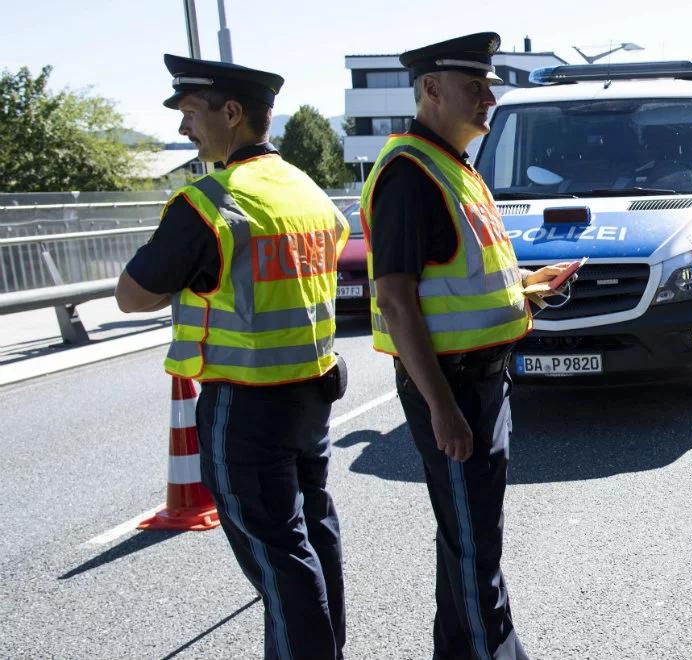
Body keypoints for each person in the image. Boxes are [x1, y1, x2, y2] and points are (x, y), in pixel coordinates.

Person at [115, 55, 349, 659]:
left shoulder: (211, 202)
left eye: (191, 113)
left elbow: (133, 296)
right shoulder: (309, 193)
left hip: (244, 404)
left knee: (277, 560)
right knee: (312, 536)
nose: (184, 130)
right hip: (312, 393)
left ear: (232, 112)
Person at [358, 32, 565, 660]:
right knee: (475, 543)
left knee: (468, 538)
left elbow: (463, 279)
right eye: (474, 86)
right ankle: (496, 649)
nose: (490, 97)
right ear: (430, 90)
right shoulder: (409, 174)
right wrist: (442, 407)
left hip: (482, 377)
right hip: (452, 385)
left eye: (490, 84)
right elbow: (396, 300)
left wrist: (527, 288)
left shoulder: (454, 167)